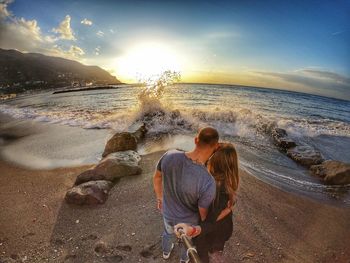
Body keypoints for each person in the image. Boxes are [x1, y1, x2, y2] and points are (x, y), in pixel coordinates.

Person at [153, 127, 219, 263]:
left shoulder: (169, 155)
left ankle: (166, 252)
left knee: (167, 233)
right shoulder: (208, 181)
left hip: (168, 213)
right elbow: (203, 214)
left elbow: (157, 177)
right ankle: (184, 259)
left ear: (196, 140)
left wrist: (160, 198)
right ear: (216, 146)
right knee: (188, 242)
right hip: (188, 222)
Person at [175, 143, 240, 263]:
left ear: (214, 162)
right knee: (215, 249)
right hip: (221, 228)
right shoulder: (225, 181)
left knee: (204, 254)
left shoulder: (219, 189)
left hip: (210, 231)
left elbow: (210, 221)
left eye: (211, 156)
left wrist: (192, 230)